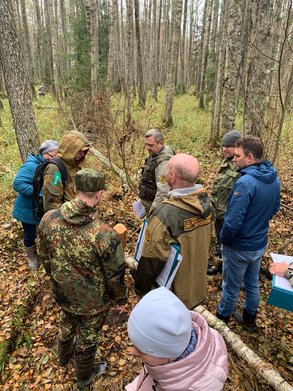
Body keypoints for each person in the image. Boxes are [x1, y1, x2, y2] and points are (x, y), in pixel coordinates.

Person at [37, 168, 128, 389]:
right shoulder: (104, 233)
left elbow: (43, 257)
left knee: (67, 322)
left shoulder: (49, 219)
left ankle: (62, 357)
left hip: (63, 293)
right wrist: (120, 299)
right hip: (93, 302)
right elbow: (115, 275)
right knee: (88, 338)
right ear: (99, 194)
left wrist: (56, 279)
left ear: (75, 189)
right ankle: (84, 379)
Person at [216, 135, 280, 332]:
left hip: (239, 246)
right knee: (252, 283)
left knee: (231, 287)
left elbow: (233, 220)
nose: (234, 160)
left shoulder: (245, 183)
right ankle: (249, 319)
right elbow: (274, 208)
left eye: (238, 156)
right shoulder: (273, 178)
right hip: (258, 244)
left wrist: (224, 239)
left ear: (250, 157)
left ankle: (220, 323)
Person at [134, 153, 214, 309]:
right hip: (196, 289)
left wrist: (140, 288)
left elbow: (152, 260)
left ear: (172, 176)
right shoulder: (206, 203)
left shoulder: (164, 215)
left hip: (170, 297)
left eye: (167, 169)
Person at [126, 287, 228, 391]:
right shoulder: (163, 358)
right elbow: (149, 378)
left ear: (169, 355)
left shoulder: (199, 387)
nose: (133, 352)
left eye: (141, 351)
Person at [12, 140, 59, 269]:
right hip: (27, 209)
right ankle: (32, 258)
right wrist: (38, 193)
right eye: (54, 155)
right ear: (45, 154)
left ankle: (45, 253)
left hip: (40, 208)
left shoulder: (50, 166)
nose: (56, 158)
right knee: (30, 235)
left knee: (43, 232)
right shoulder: (30, 166)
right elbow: (17, 184)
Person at [208, 130, 241, 276]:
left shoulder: (240, 166)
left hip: (230, 215)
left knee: (230, 248)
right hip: (219, 213)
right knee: (222, 245)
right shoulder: (226, 161)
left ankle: (228, 276)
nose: (225, 149)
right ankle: (220, 269)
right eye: (223, 146)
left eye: (229, 146)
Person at [42, 130, 90, 213]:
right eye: (80, 151)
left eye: (84, 151)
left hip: (76, 215)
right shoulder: (54, 169)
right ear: (71, 150)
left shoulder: (75, 165)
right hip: (64, 219)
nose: (83, 154)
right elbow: (51, 205)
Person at [138, 128, 175, 217]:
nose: (147, 148)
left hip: (155, 207)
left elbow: (163, 192)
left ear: (160, 143)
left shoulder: (164, 162)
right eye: (146, 144)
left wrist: (153, 213)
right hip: (148, 202)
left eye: (150, 145)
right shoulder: (156, 152)